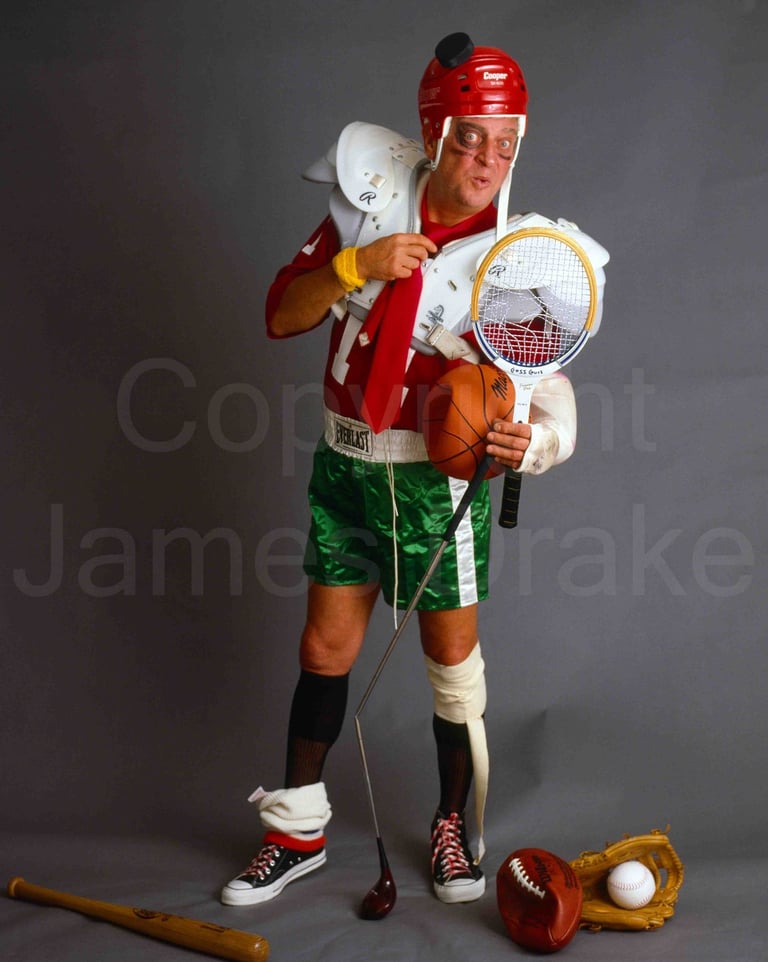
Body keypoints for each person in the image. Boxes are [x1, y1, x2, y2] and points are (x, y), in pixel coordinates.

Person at [221, 32, 608, 909]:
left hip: (436, 484)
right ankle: (297, 831)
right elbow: (283, 314)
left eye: (506, 141)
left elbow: (553, 394)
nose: (488, 157)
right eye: (473, 134)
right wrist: (355, 265)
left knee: (450, 660)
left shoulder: (516, 259)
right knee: (324, 647)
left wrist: (536, 445)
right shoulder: (368, 203)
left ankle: (450, 828)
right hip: (347, 464)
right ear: (437, 131)